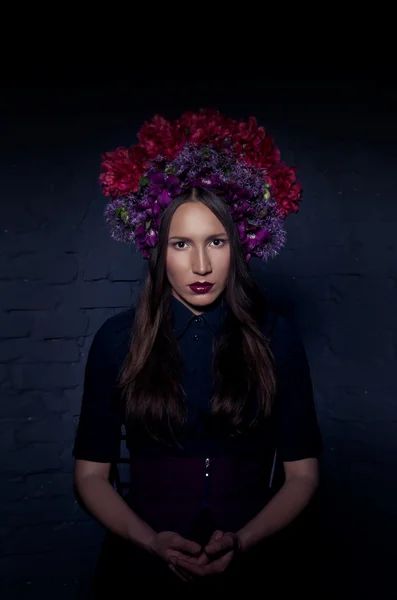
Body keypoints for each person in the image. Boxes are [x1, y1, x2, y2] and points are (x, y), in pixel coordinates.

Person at [72, 109, 323, 595]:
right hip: (142, 571)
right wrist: (148, 542)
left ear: (240, 245)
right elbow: (90, 475)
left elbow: (303, 475)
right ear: (156, 249)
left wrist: (245, 541)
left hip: (254, 571)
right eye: (181, 243)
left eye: (216, 241)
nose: (202, 264)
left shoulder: (278, 339)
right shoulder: (115, 340)